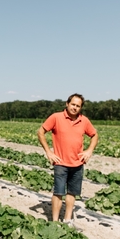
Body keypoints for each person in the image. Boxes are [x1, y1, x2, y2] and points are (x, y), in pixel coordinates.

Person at [37, 93, 98, 228]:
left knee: (72, 192)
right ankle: (54, 222)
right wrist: (48, 152)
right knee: (58, 192)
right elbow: (40, 132)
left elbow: (94, 135)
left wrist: (89, 151)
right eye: (73, 104)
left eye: (78, 106)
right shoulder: (56, 117)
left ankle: (67, 220)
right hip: (60, 163)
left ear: (81, 108)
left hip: (77, 163)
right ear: (67, 104)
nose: (75, 108)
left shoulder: (84, 121)